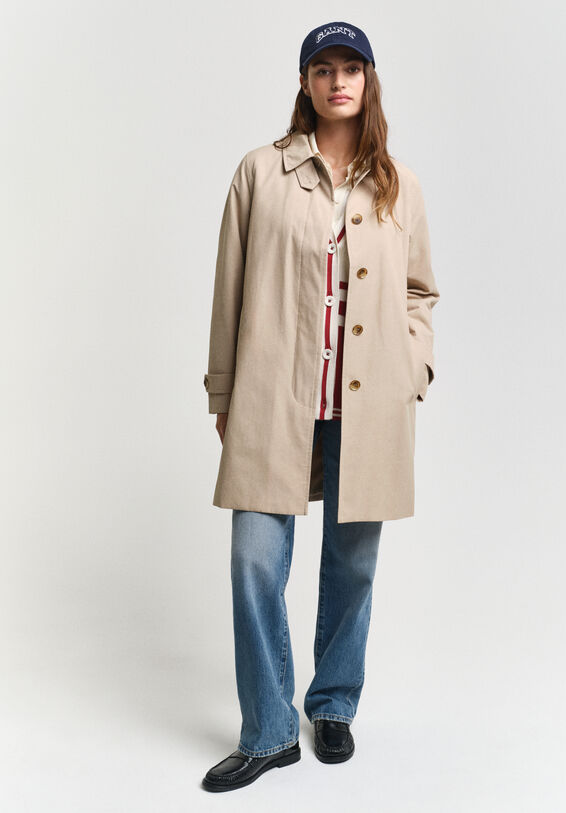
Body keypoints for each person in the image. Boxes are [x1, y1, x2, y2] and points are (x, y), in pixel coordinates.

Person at [201, 21, 440, 793]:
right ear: (305, 83)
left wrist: (414, 368)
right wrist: (224, 391)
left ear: (368, 81)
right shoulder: (260, 173)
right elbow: (229, 289)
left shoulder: (398, 184)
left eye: (351, 68)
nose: (338, 81)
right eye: (323, 69)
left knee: (352, 565)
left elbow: (420, 292)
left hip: (371, 406)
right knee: (253, 560)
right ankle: (269, 731)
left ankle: (333, 703)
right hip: (274, 396)